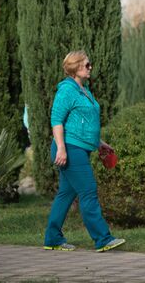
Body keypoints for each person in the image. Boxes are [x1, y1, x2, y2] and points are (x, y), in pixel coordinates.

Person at [44, 51, 125, 252]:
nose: (90, 68)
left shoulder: (84, 89)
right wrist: (61, 148)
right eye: (87, 65)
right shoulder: (67, 90)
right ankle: (103, 239)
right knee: (88, 191)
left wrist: (100, 143)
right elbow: (56, 121)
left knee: (65, 194)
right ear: (76, 67)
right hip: (70, 148)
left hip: (79, 147)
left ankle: (52, 238)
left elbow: (84, 124)